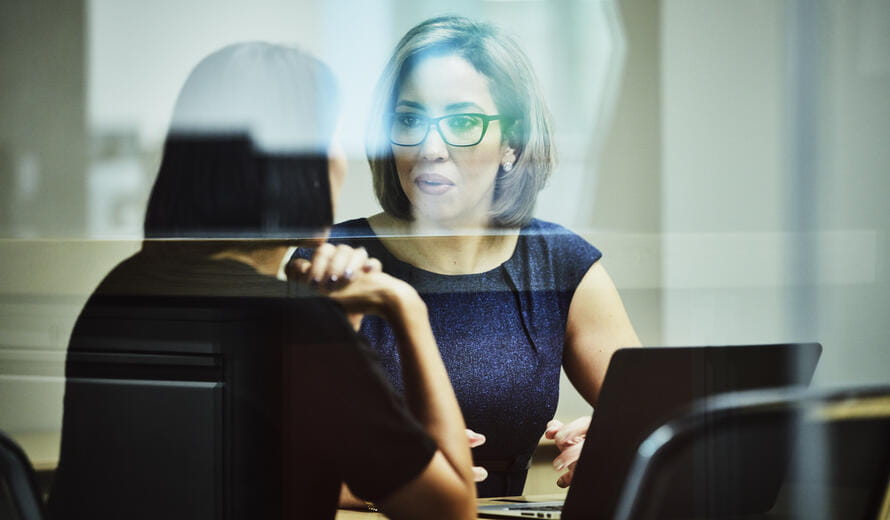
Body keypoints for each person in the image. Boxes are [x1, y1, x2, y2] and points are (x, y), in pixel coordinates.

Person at [48, 42, 476, 520]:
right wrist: (406, 307)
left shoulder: (126, 289)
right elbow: (450, 510)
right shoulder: (288, 325)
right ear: (297, 162)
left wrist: (340, 323)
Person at [295, 16, 641, 498]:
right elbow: (263, 454)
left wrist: (619, 449)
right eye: (409, 120)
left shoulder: (561, 264)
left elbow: (663, 425)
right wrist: (391, 471)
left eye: (462, 122)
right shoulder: (329, 263)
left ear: (512, 145)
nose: (430, 148)